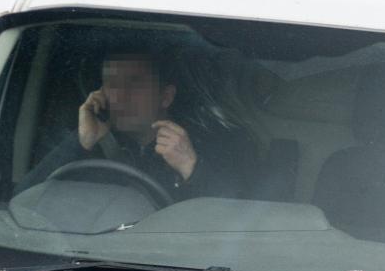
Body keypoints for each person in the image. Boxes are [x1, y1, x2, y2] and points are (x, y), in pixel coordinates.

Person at [16, 49, 251, 200]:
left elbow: (236, 224)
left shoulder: (214, 144)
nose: (121, 95)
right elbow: (22, 200)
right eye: (112, 84)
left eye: (135, 84)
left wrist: (191, 167)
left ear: (165, 97)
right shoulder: (86, 147)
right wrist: (81, 141)